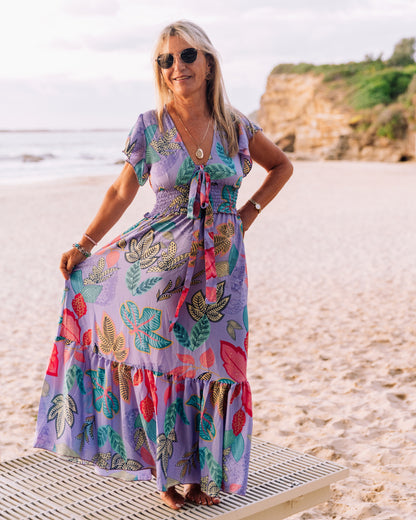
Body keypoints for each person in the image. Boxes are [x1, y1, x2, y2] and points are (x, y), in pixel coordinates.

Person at [34, 20, 293, 510]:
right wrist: (85, 244)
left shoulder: (236, 125)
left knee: (216, 365)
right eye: (166, 60)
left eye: (187, 55)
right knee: (164, 363)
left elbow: (282, 166)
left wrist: (245, 215)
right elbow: (121, 191)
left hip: (221, 269)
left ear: (209, 61)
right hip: (158, 262)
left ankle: (203, 476)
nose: (177, 67)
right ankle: (170, 476)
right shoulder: (150, 126)